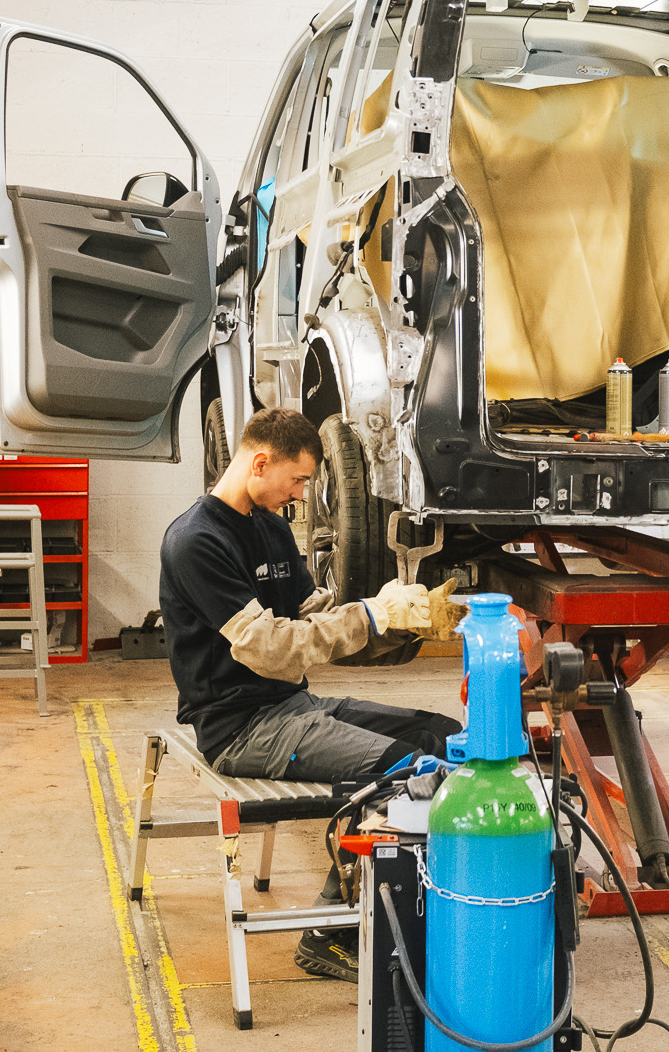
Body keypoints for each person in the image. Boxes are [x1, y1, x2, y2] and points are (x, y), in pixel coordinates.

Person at [159, 406, 459, 981]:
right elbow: (268, 647)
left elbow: (314, 619)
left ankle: (428, 905)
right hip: (241, 728)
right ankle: (330, 934)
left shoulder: (272, 528)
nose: (301, 494)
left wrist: (404, 621)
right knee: (404, 772)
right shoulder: (195, 541)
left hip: (293, 707)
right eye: (296, 479)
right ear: (260, 463)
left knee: (441, 736)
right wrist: (370, 616)